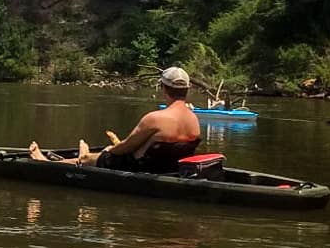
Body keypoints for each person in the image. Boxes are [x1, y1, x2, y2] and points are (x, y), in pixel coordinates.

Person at [29, 67, 201, 173]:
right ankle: (86, 155)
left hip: (141, 168)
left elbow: (125, 148)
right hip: (170, 168)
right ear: (186, 90)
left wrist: (109, 150)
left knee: (93, 158)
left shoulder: (155, 118)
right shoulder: (194, 120)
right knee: (102, 155)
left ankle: (44, 163)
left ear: (164, 88)